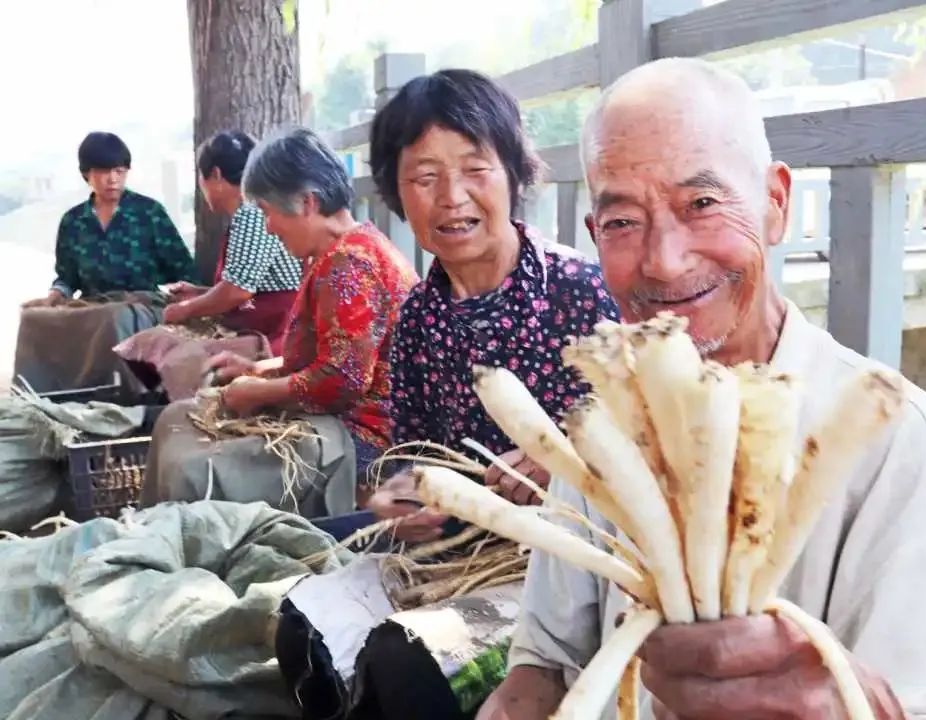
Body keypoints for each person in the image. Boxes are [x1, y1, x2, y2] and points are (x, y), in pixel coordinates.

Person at [478, 58, 926, 719]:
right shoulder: (609, 427)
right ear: (595, 237)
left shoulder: (899, 442)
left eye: (702, 204)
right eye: (623, 222)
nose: (664, 260)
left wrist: (851, 707)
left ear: (775, 204)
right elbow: (547, 658)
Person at [362, 69, 621, 542]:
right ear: (396, 193)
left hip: (576, 550)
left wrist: (566, 461)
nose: (452, 197)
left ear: (514, 174)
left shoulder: (579, 292)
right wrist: (402, 496)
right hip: (460, 548)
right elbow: (414, 456)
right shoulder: (417, 318)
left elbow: (645, 435)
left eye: (476, 170)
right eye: (424, 177)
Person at [206, 127, 418, 476]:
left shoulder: (349, 264)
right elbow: (331, 359)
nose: (269, 228)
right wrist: (255, 369)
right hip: (356, 424)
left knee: (212, 468)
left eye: (267, 212)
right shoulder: (350, 247)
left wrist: (258, 393)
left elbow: (341, 380)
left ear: (307, 202)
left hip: (372, 443)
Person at [162, 130, 304, 354]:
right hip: (263, 320)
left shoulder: (251, 212)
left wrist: (185, 309)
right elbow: (246, 283)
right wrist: (198, 293)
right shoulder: (250, 212)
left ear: (216, 175)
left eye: (201, 175)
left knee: (170, 350)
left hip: (276, 331)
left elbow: (238, 291)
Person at [23, 131, 195, 307]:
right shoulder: (73, 222)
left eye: (119, 171)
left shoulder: (150, 213)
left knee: (115, 321)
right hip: (90, 310)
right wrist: (56, 293)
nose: (113, 179)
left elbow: (185, 271)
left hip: (143, 309)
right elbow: (67, 277)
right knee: (32, 319)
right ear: (86, 174)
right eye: (104, 171)